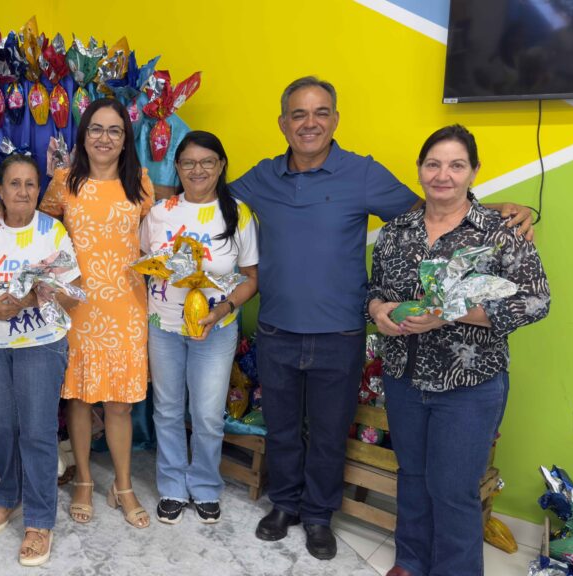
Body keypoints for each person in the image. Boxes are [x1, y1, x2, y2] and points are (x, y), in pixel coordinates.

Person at [228, 76, 535, 560]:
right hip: (276, 329)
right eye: (299, 114)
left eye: (321, 112)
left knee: (329, 434)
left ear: (335, 119)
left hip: (340, 332)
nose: (310, 123)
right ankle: (284, 504)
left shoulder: (363, 173)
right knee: (282, 428)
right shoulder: (262, 177)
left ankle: (318, 515)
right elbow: (207, 201)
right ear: (283, 123)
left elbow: (431, 206)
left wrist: (499, 210)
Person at [367, 125, 549, 576]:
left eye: (456, 165)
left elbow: (536, 300)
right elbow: (374, 289)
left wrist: (450, 312)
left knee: (453, 490)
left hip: (469, 384)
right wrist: (377, 309)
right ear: (420, 169)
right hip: (404, 377)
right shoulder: (396, 232)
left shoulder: (501, 231)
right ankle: (410, 561)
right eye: (433, 164)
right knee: (412, 477)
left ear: (474, 171)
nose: (443, 175)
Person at [0, 98, 155, 528]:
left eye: (114, 130)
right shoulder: (63, 182)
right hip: (74, 306)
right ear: (83, 135)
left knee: (119, 404)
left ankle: (123, 485)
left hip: (126, 307)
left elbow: (161, 233)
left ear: (125, 139)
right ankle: (83, 480)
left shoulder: (141, 183)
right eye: (96, 128)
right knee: (78, 398)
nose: (104, 138)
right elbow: (32, 227)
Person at [0, 154, 81, 566]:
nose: (22, 191)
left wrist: (37, 295)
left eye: (30, 184)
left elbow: (73, 293)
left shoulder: (52, 231)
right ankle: (9, 494)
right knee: (1, 426)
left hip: (40, 344)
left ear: (38, 189)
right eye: (14, 183)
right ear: (0, 190)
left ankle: (40, 520)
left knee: (38, 431)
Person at [140, 131, 259, 525]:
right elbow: (142, 263)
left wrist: (223, 307)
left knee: (207, 415)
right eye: (189, 162)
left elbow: (251, 278)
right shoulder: (161, 212)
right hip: (164, 325)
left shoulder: (237, 213)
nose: (198, 170)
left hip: (216, 328)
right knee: (167, 410)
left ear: (221, 165)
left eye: (207, 161)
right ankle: (173, 486)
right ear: (177, 167)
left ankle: (206, 486)